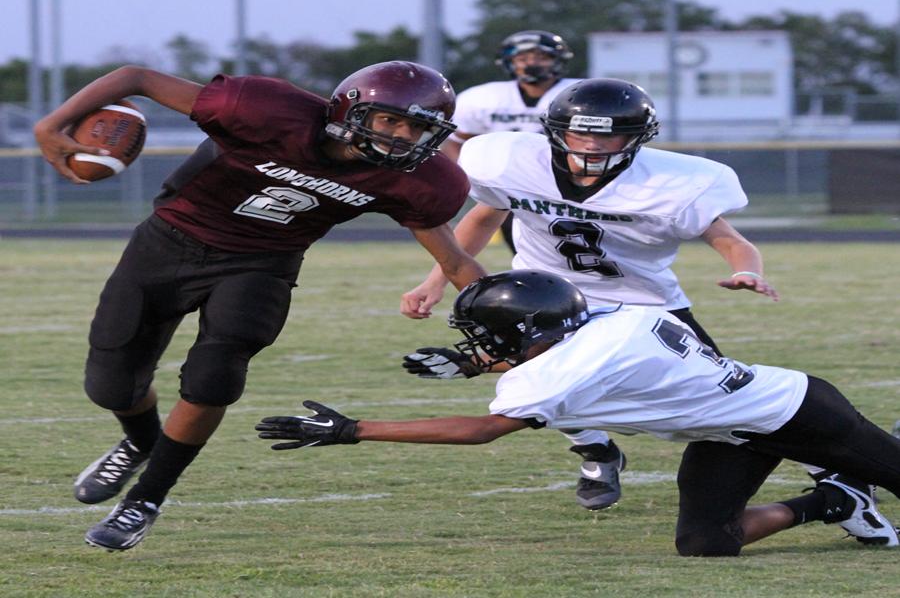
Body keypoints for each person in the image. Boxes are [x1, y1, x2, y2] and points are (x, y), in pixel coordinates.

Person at [34, 61, 488, 551]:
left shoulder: (419, 179)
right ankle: (142, 441)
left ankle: (145, 499)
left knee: (214, 378)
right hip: (169, 241)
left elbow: (453, 257)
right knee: (112, 384)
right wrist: (49, 124)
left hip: (263, 263)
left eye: (418, 128)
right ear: (351, 110)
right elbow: (137, 78)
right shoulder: (264, 110)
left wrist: (510, 320)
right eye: (390, 121)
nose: (402, 137)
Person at [258, 270, 900, 556]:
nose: (480, 347)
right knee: (706, 544)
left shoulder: (563, 366)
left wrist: (353, 430)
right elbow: (566, 361)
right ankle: (834, 502)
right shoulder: (613, 315)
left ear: (530, 332)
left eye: (486, 337)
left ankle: (854, 470)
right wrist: (484, 364)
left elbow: (482, 431)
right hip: (728, 427)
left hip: (799, 414)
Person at [400, 77, 778, 512]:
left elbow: (731, 240)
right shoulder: (516, 163)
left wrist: (747, 271)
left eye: (608, 134)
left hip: (645, 301)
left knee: (718, 395)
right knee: (541, 377)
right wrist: (435, 279)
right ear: (555, 129)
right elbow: (484, 217)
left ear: (638, 137)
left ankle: (815, 452)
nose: (593, 145)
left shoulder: (671, 181)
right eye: (581, 132)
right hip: (545, 296)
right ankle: (595, 450)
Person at [441, 30, 580, 253]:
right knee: (525, 249)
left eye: (541, 57)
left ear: (558, 61)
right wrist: (470, 179)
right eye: (522, 58)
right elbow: (458, 142)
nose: (532, 64)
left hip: (570, 183)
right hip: (511, 186)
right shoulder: (483, 98)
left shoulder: (579, 93)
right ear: (509, 62)